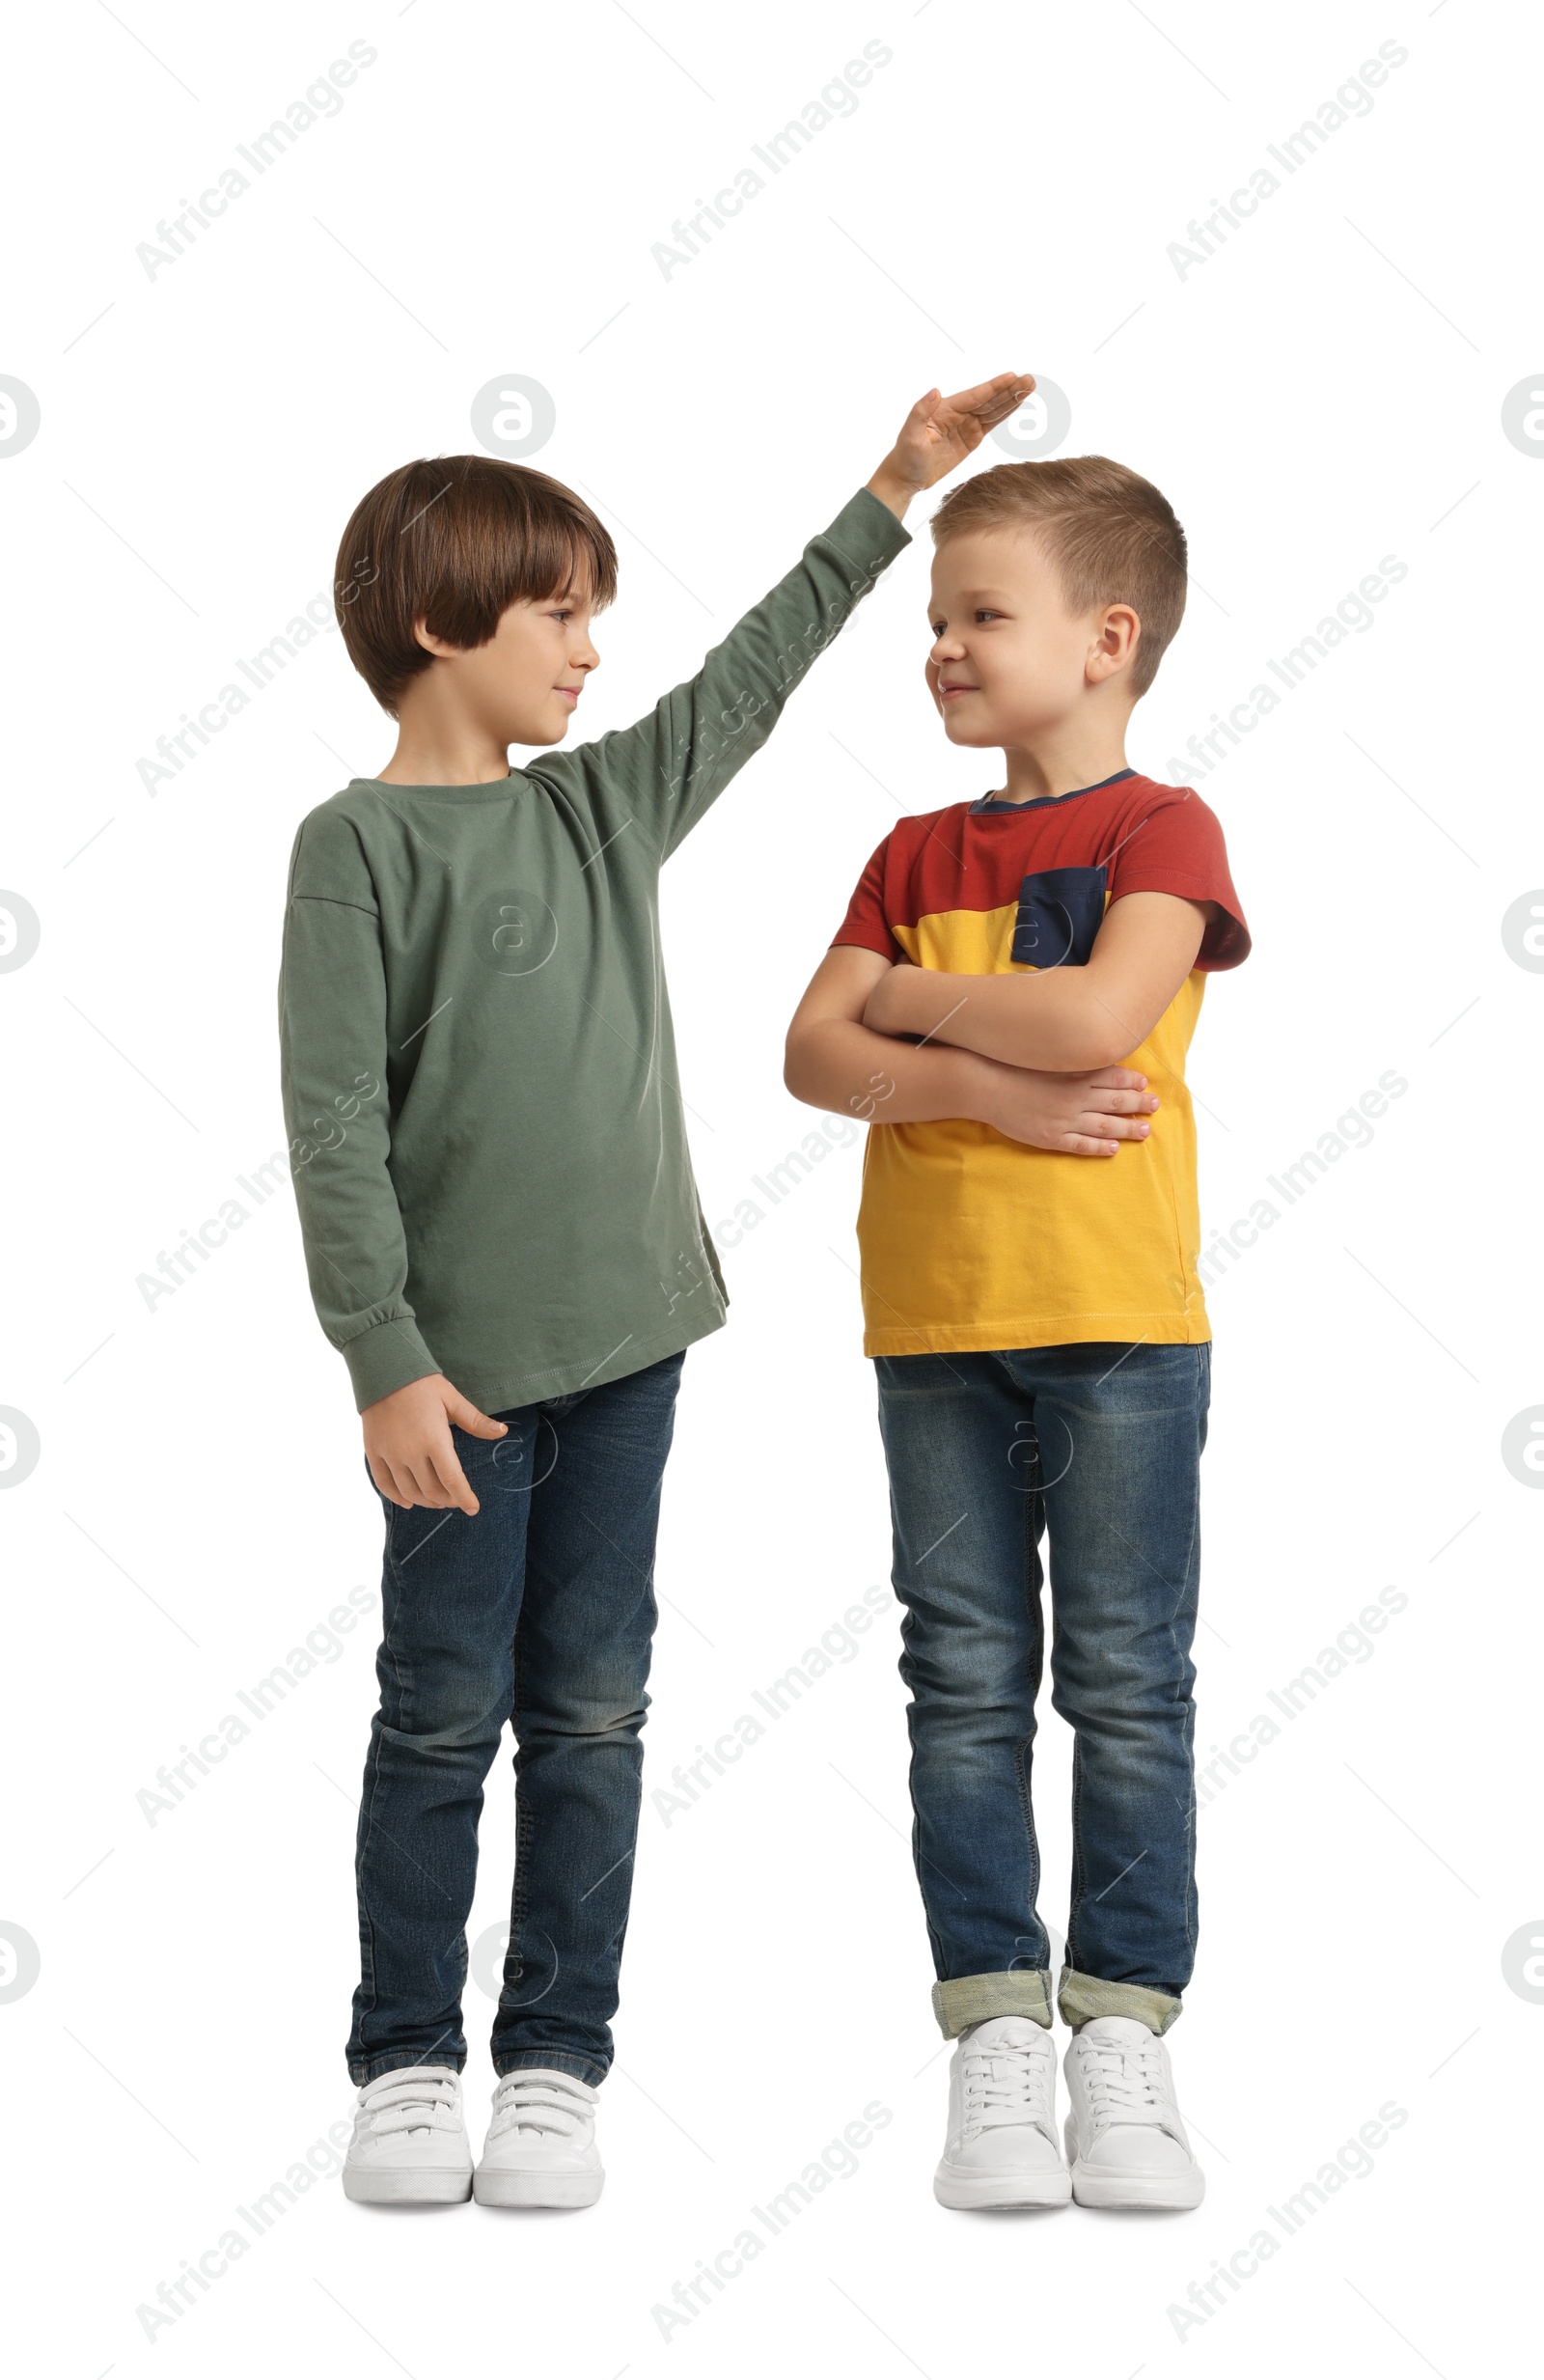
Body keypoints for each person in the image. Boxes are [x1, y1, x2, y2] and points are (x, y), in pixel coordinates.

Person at [278, 373, 1033, 2206]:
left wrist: (892, 487)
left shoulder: (603, 810)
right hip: (453, 1380)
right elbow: (330, 1122)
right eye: (561, 614)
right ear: (443, 620)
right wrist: (383, 1358)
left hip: (630, 1351)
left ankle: (553, 2060)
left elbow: (752, 676)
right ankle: (400, 2057)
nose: (594, 652)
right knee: (442, 1707)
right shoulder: (354, 848)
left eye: (598, 617)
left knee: (597, 1707)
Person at [784, 453, 1250, 2210]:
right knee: (962, 1679)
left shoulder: (1165, 829)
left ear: (1106, 639)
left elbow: (1105, 1014)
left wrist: (906, 1001)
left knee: (1127, 1682)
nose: (944, 648)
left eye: (982, 615)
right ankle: (995, 2025)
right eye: (936, 619)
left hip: (1123, 1324)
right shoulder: (910, 847)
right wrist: (981, 1064)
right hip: (931, 1327)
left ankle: (1122, 2029)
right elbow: (806, 1055)